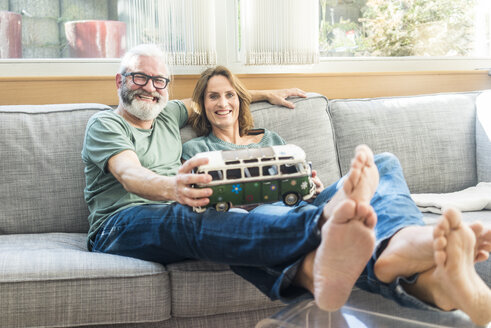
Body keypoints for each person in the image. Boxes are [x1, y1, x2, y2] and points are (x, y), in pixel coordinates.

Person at [181, 65, 491, 325]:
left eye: (229, 94)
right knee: (279, 220)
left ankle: (405, 237)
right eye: (213, 96)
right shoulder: (197, 149)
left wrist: (311, 184)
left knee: (383, 163)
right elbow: (204, 203)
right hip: (260, 218)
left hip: (304, 204)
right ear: (203, 105)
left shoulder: (271, 138)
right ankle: (431, 279)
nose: (223, 103)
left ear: (240, 100)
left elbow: (297, 177)